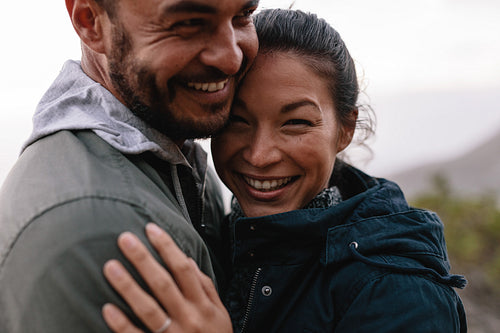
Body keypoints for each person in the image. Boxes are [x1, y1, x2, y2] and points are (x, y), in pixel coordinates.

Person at [101, 8, 468, 333]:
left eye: (295, 123)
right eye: (237, 120)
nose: (260, 156)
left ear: (345, 129)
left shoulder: (398, 293)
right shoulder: (228, 235)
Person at [0, 0, 260, 331]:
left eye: (244, 15)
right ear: (90, 21)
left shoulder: (179, 158)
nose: (231, 56)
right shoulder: (98, 234)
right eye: (190, 22)